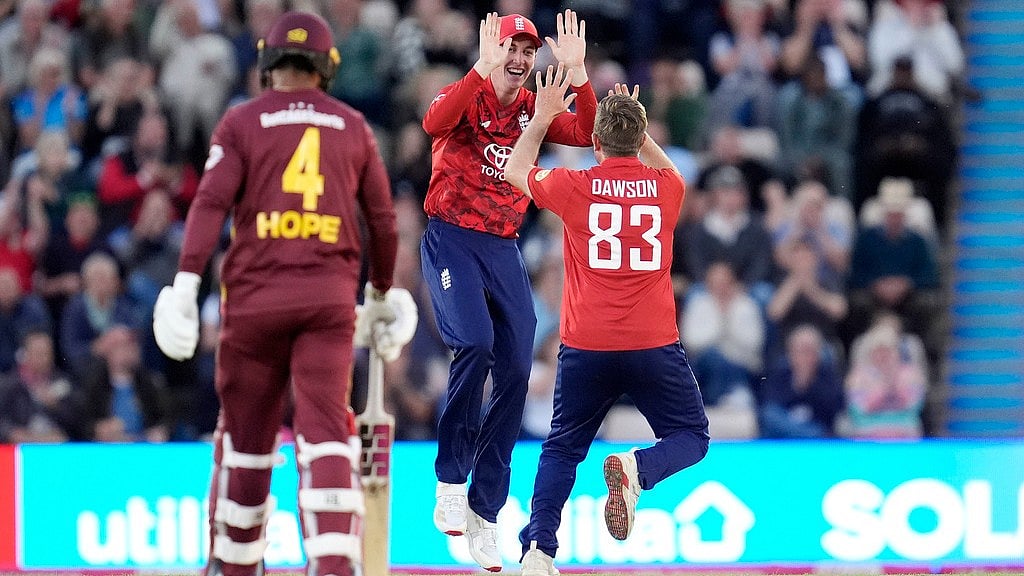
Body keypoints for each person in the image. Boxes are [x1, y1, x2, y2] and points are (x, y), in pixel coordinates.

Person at [150, 11, 414, 576]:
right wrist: (382, 292)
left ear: (267, 65)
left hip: (254, 303)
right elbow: (384, 224)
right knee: (325, 432)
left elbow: (210, 205)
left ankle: (234, 564)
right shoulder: (354, 126)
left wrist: (186, 281)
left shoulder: (242, 123)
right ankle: (334, 563)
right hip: (327, 300)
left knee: (246, 438)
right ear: (327, 67)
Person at [504, 70, 710, 575]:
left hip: (586, 342)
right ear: (639, 140)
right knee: (691, 437)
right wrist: (640, 135)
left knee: (562, 448)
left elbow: (514, 170)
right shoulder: (667, 189)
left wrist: (545, 118)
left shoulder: (576, 186)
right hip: (653, 342)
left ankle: (539, 551)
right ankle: (639, 469)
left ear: (594, 141)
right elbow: (668, 171)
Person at [419, 10, 597, 572]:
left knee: (518, 371)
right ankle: (450, 478)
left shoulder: (534, 107)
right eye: (510, 49)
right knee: (473, 345)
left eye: (527, 51)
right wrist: (480, 69)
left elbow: (592, 134)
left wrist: (580, 75)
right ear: (493, 49)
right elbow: (432, 123)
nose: (519, 60)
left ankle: (485, 512)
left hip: (502, 247)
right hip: (451, 238)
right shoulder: (464, 95)